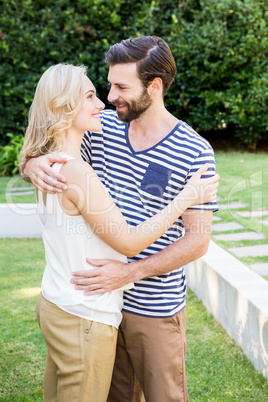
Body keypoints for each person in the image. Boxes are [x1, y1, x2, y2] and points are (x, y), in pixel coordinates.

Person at [23, 36, 219, 402]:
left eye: (120, 87)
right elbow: (51, 144)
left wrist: (130, 273)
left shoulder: (195, 150)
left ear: (154, 86)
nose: (110, 96)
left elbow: (198, 241)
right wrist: (31, 164)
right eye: (108, 85)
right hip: (98, 306)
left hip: (152, 309)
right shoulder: (102, 128)